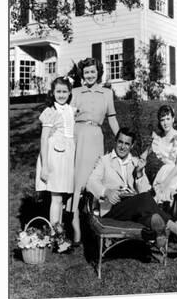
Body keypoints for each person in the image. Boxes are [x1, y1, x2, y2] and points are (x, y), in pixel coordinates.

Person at [87, 128, 177, 250]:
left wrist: (140, 173)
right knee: (144, 199)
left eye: (127, 144)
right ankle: (176, 229)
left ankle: (157, 227)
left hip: (133, 209)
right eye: (120, 142)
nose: (122, 147)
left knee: (149, 213)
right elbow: (91, 182)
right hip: (113, 209)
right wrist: (106, 191)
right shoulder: (104, 161)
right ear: (115, 141)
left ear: (132, 145)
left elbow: (145, 191)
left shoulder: (136, 162)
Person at [69, 57, 119, 245]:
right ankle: (76, 233)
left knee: (97, 182)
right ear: (82, 74)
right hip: (78, 137)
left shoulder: (107, 93)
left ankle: (102, 230)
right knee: (77, 185)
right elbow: (67, 118)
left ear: (98, 72)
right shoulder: (75, 92)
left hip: (96, 138)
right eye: (86, 72)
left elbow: (112, 118)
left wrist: (121, 138)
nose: (89, 75)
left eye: (92, 71)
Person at [35, 76, 75, 232]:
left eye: (65, 91)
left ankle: (58, 231)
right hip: (54, 158)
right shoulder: (50, 112)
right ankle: (55, 233)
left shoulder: (71, 110)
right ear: (52, 93)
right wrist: (45, 166)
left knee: (61, 197)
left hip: (67, 158)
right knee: (56, 197)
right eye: (58, 91)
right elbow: (44, 138)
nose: (61, 95)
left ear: (70, 92)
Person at [149, 105, 177, 204]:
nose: (165, 123)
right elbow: (146, 153)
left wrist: (165, 183)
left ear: (173, 119)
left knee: (168, 193)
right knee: (158, 198)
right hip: (165, 172)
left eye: (168, 119)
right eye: (162, 120)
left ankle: (174, 215)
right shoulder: (159, 140)